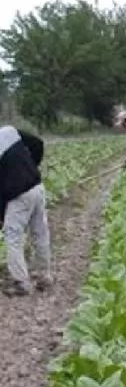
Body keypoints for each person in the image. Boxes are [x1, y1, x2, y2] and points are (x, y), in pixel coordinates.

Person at [0, 126, 52, 296]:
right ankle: (44, 276)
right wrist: (32, 167)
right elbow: (38, 143)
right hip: (37, 187)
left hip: (19, 196)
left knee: (12, 235)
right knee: (40, 232)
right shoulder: (9, 131)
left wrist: (1, 217)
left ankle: (21, 283)